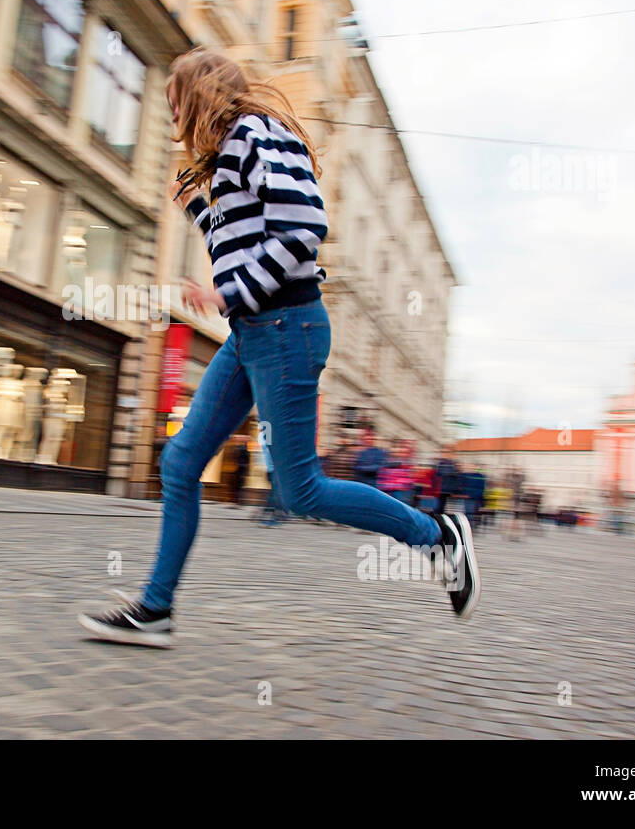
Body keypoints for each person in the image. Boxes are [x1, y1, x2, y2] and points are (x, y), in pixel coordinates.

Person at [78, 48, 480, 647]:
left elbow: (304, 227)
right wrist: (196, 208)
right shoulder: (236, 149)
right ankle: (156, 609)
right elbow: (246, 233)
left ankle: (439, 537)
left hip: (285, 329)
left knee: (300, 490)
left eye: (174, 104)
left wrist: (228, 292)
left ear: (198, 96)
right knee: (181, 462)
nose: (172, 118)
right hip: (253, 333)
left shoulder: (251, 134)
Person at [378, 439, 417, 507]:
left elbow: (411, 480)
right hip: (391, 491)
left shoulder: (409, 464)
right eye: (401, 451)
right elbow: (383, 478)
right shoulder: (390, 462)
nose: (402, 453)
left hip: (403, 492)